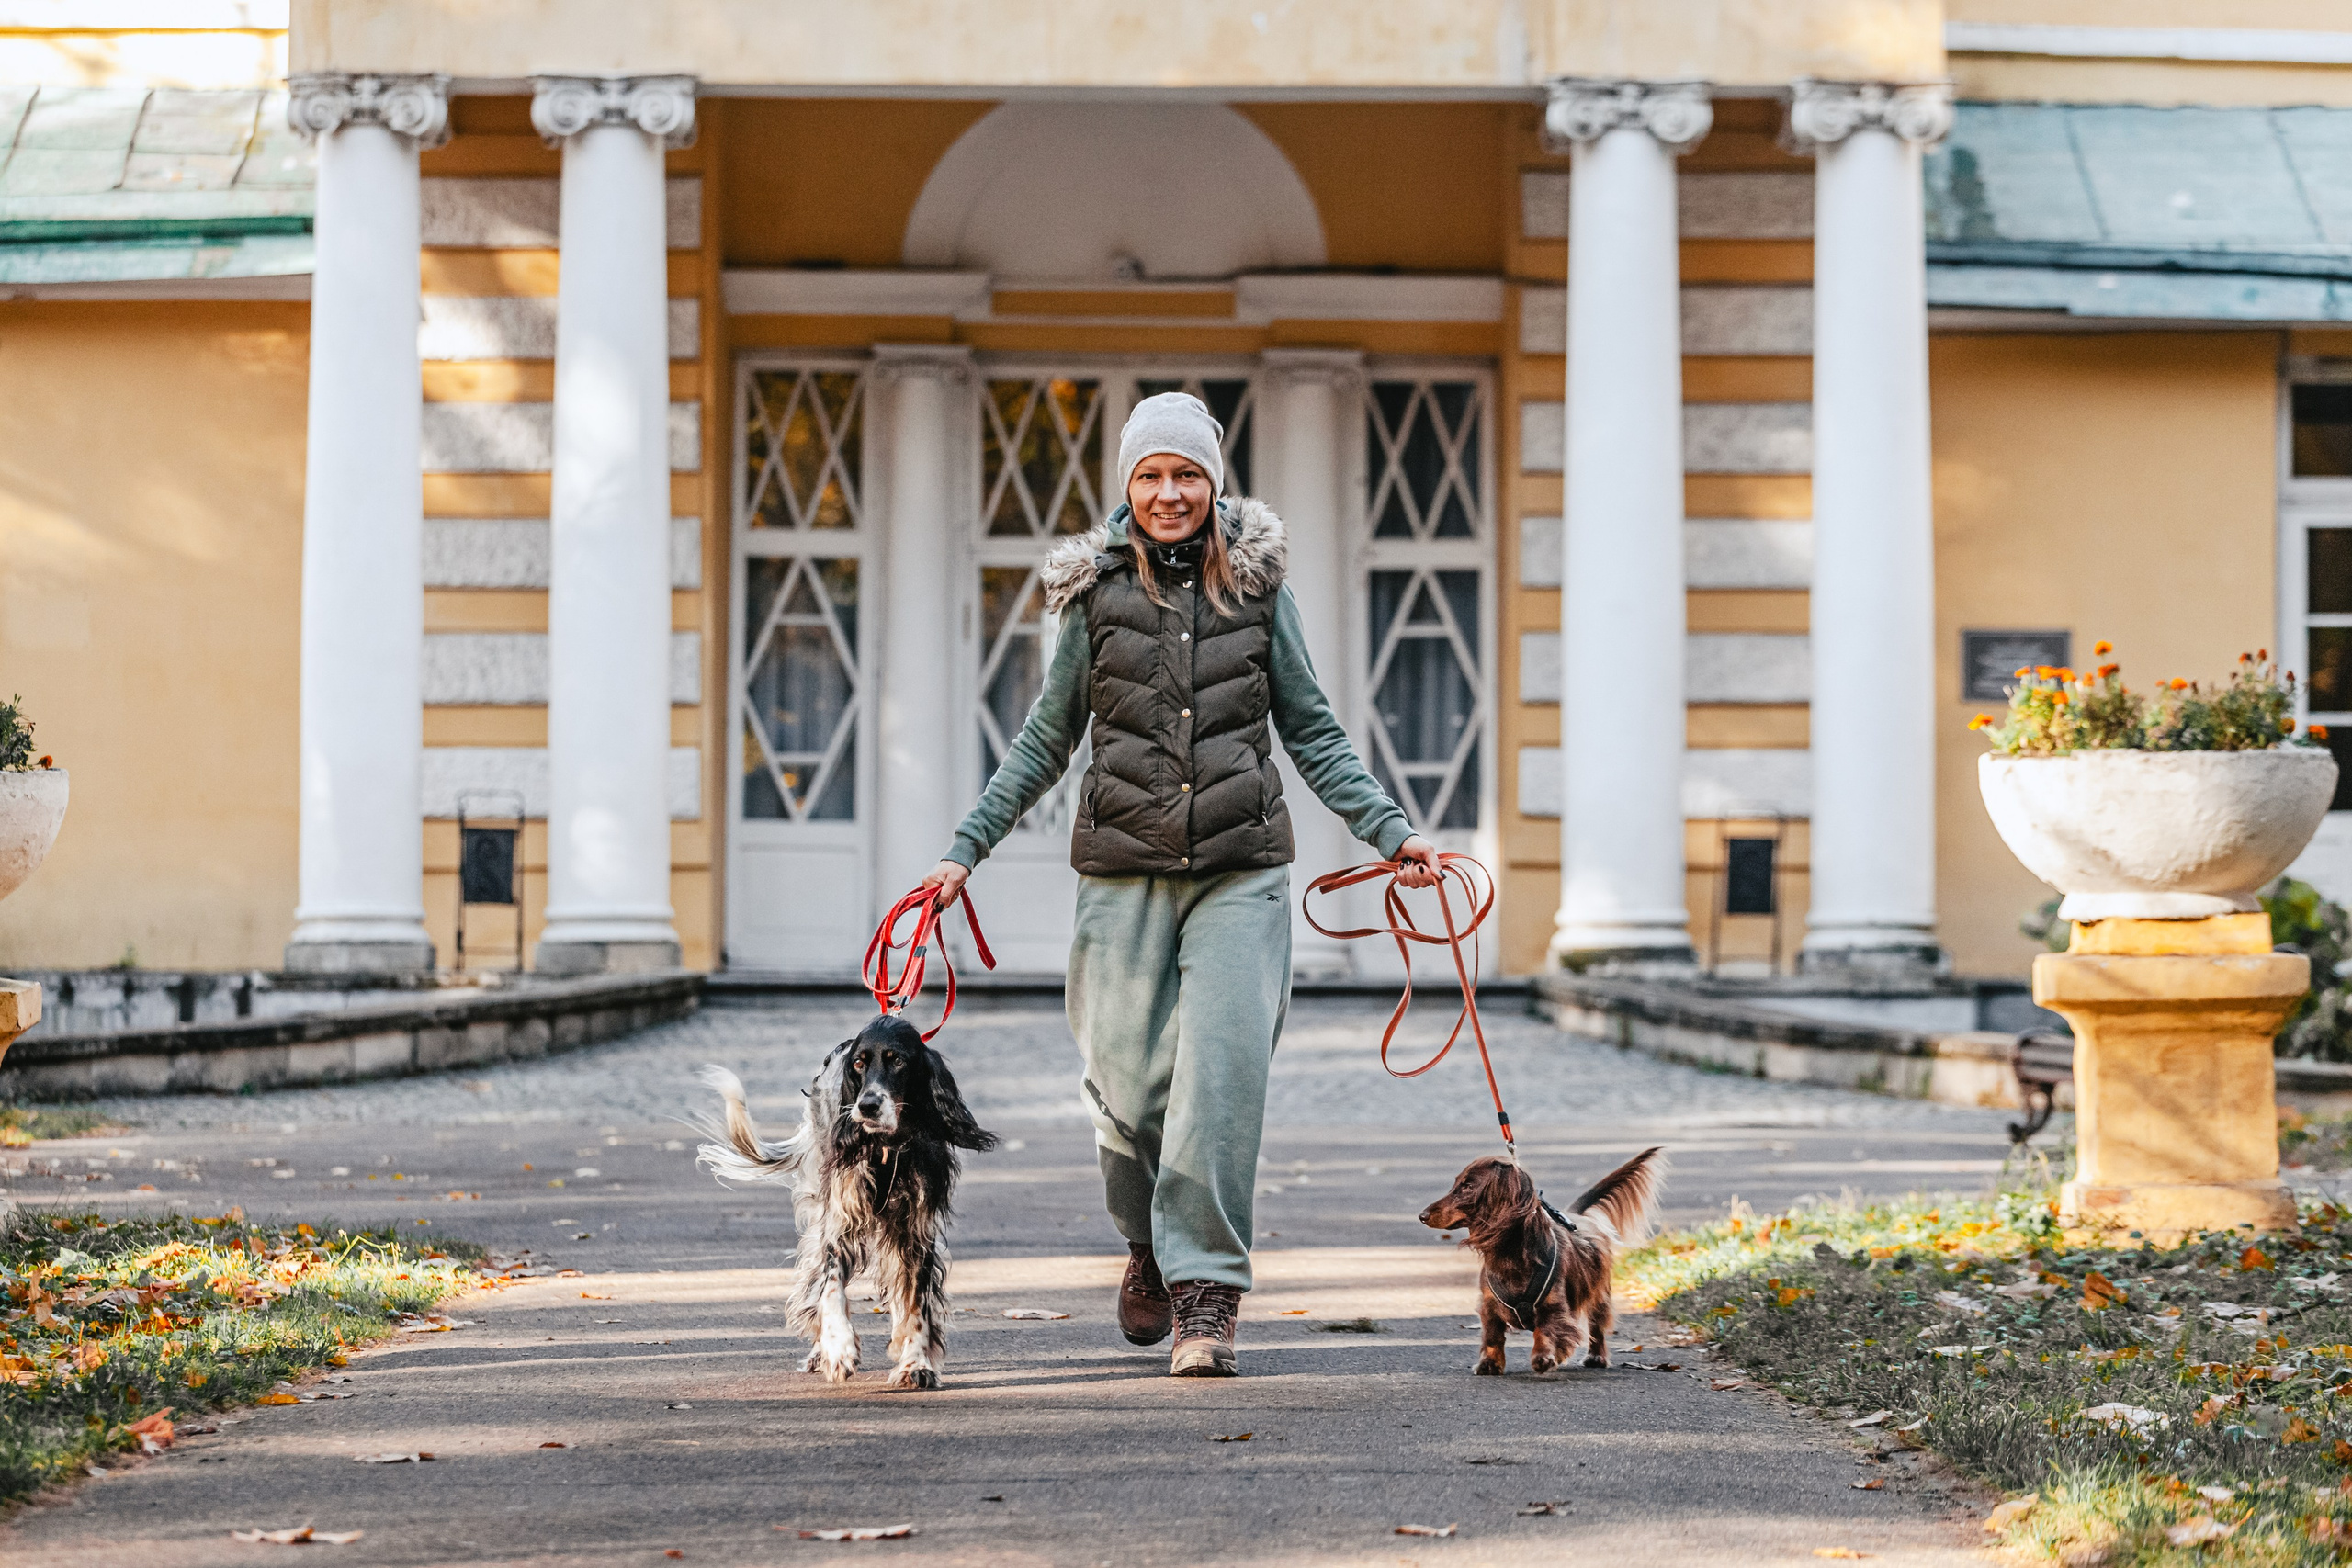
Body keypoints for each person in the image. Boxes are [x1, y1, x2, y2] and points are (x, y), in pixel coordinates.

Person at [922, 391, 1439, 1377]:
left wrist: (1392, 833)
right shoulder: (1091, 597)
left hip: (1240, 869)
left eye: (1187, 474)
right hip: (1121, 873)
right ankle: (1147, 1246)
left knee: (1221, 1084)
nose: (1169, 493)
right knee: (1126, 1097)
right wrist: (963, 851)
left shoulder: (1257, 591)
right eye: (1151, 476)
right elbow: (1043, 739)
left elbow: (1314, 731)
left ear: (1214, 483)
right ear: (1126, 486)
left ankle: (1206, 1298)